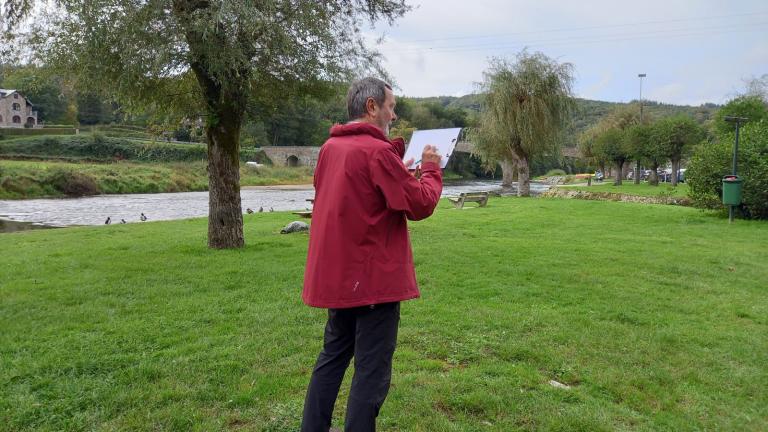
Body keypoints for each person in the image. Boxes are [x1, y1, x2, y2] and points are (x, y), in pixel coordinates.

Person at [301, 77, 443, 432]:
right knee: (371, 371)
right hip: (373, 281)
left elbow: (363, 196)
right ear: (372, 107)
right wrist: (431, 170)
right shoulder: (377, 151)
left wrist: (403, 174)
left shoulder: (329, 149)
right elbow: (420, 203)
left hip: (340, 278)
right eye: (391, 107)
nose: (393, 116)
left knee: (331, 359)